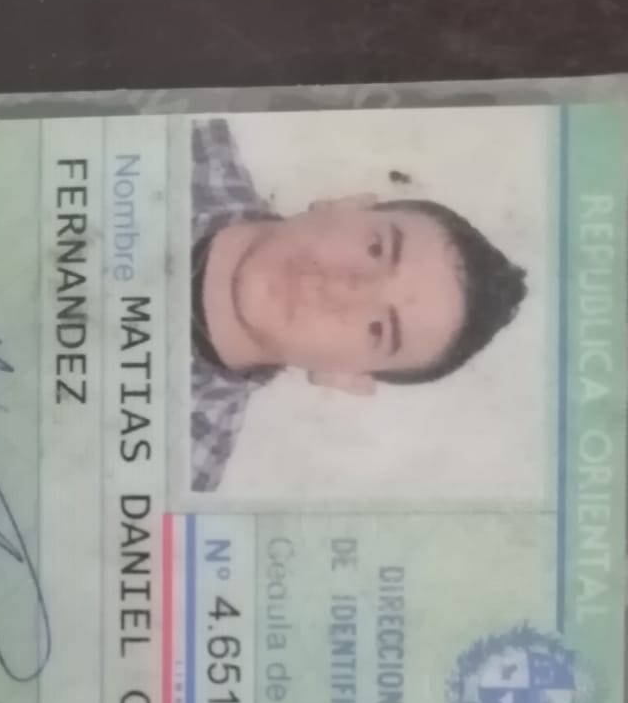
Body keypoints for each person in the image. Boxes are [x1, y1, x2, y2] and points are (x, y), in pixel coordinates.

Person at [190, 116, 528, 490]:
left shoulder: (178, 474)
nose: (347, 286)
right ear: (347, 205)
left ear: (345, 378)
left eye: (377, 329)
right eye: (375, 249)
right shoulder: (183, 126)